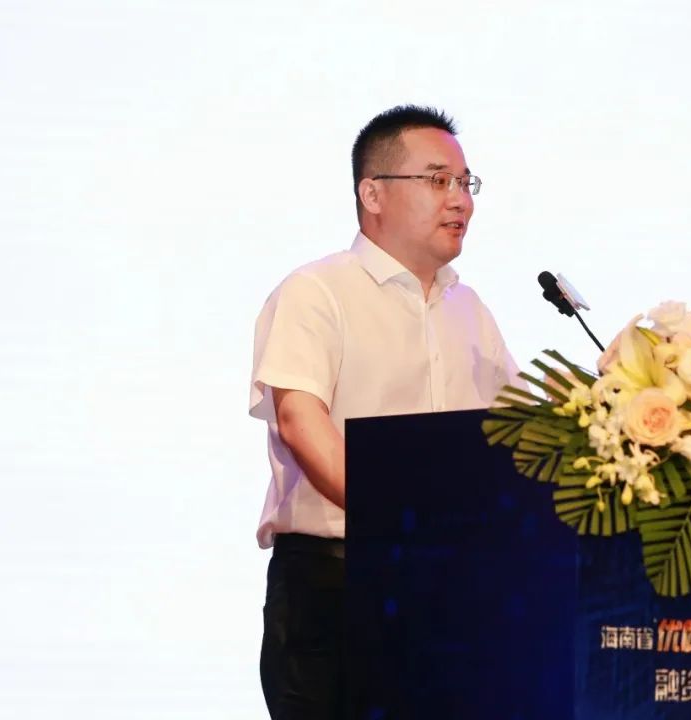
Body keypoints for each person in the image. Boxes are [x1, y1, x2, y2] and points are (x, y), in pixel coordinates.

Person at [248, 105, 523, 720]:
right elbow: (300, 422)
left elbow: (521, 442)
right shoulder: (317, 292)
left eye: (465, 183)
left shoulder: (470, 310)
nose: (460, 200)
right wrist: (401, 521)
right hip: (336, 587)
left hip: (451, 590)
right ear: (372, 193)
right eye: (438, 180)